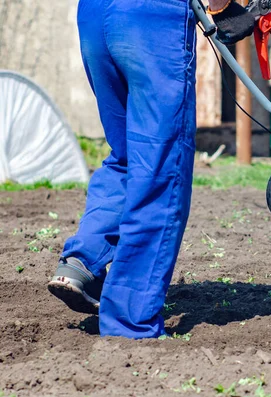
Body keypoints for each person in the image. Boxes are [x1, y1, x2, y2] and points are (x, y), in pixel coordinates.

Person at [47, 0, 258, 339]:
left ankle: (82, 261)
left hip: (94, 17)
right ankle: (131, 323)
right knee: (161, 170)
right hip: (150, 20)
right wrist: (227, 9)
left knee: (127, 156)